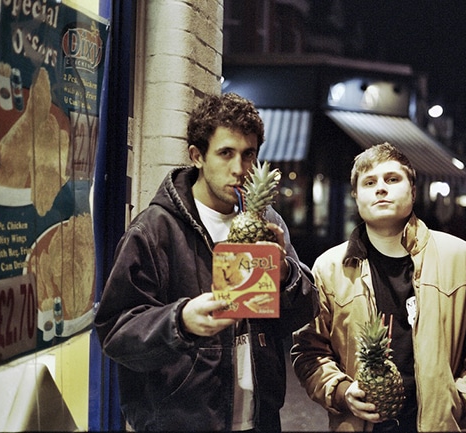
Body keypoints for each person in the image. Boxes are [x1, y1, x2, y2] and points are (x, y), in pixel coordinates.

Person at [95, 92, 319, 432]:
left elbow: (303, 311)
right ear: (197, 156)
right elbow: (116, 332)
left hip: (260, 419)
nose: (239, 169)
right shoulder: (155, 229)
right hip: (182, 422)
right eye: (225, 153)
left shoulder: (267, 221)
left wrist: (285, 273)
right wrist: (180, 321)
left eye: (248, 154)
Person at [291, 143, 466, 432]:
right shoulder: (329, 268)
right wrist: (341, 392)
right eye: (369, 182)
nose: (381, 189)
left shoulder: (462, 258)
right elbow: (309, 350)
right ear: (356, 195)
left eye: (392, 179)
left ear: (413, 190)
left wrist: (461, 399)